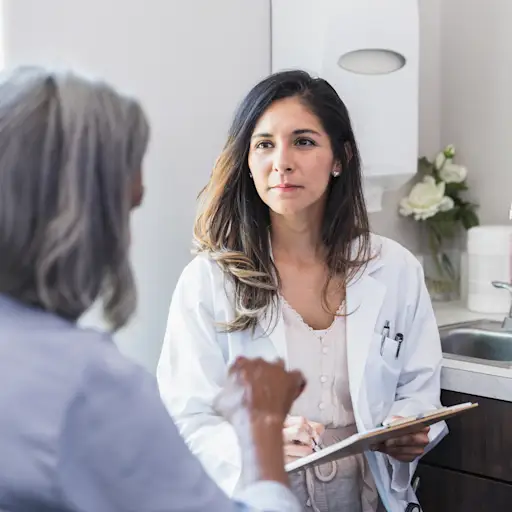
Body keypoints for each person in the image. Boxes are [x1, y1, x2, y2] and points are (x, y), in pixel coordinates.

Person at [0, 66, 306, 512]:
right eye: (125, 209)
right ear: (84, 216)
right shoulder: (86, 387)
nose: (125, 241)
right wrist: (261, 428)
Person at [157, 70, 448, 512]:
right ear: (248, 161)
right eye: (265, 144)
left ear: (340, 158)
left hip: (368, 499)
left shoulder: (395, 270)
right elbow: (185, 420)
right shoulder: (209, 281)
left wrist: (409, 428)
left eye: (304, 141)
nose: (282, 162)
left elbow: (419, 387)